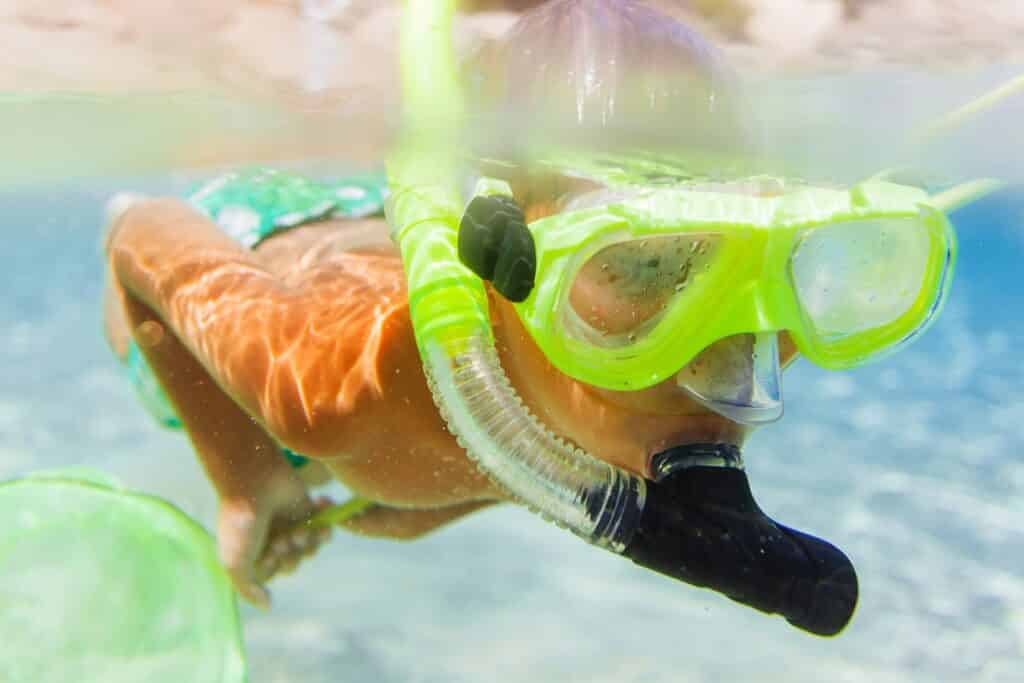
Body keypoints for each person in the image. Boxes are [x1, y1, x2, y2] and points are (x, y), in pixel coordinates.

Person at [104, 0, 972, 636]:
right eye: (638, 268)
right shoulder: (332, 385)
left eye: (758, 268)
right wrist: (245, 481)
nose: (722, 366)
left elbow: (548, 435)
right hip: (259, 231)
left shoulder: (744, 332)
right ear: (500, 270)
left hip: (399, 229)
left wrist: (451, 497)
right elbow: (137, 242)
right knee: (139, 316)